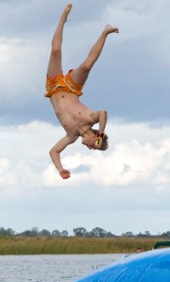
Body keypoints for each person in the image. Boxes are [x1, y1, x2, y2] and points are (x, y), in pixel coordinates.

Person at [45, 4, 118, 179]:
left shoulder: (71, 136)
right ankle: (102, 31)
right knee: (86, 66)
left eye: (94, 148)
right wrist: (101, 130)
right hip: (71, 87)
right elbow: (103, 113)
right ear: (96, 137)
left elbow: (54, 151)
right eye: (95, 145)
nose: (91, 148)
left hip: (54, 86)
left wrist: (60, 169)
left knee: (55, 50)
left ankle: (63, 19)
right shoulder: (90, 118)